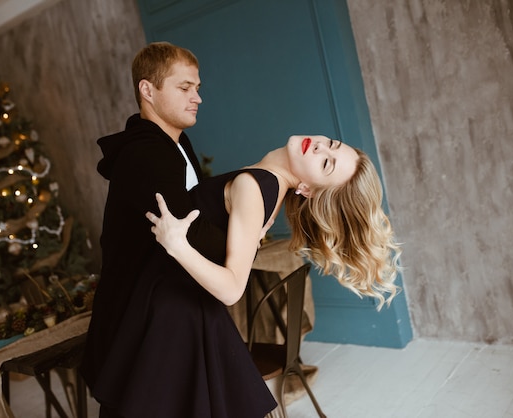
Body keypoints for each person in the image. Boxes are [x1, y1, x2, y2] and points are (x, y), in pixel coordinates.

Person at [80, 42, 254, 417]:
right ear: (148, 90)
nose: (197, 98)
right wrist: (245, 237)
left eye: (198, 88)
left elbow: (195, 209)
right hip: (136, 316)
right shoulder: (146, 154)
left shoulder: (176, 144)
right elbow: (187, 228)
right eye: (185, 87)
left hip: (167, 305)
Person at [148, 135, 401, 315]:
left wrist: (177, 245)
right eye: (332, 144)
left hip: (160, 300)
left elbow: (232, 290)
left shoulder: (254, 188)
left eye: (326, 163)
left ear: (308, 190)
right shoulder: (267, 191)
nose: (320, 147)